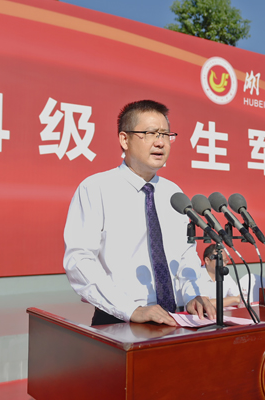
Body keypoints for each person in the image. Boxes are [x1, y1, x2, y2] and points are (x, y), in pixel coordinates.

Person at [63, 100, 215, 326]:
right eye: (150, 133)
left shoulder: (174, 193)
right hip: (119, 318)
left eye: (165, 134)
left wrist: (194, 294)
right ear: (125, 139)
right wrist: (130, 309)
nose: (160, 142)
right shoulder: (95, 188)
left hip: (175, 318)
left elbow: (185, 254)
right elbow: (79, 261)